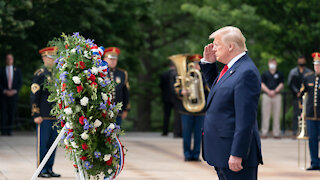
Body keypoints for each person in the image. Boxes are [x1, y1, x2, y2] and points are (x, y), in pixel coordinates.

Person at [200, 26, 263, 180]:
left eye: (216, 44)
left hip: (234, 154)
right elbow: (218, 92)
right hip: (222, 151)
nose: (213, 49)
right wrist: (208, 64)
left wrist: (237, 153)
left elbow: (245, 119)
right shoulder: (232, 68)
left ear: (230, 46)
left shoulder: (246, 72)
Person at [30, 47, 60, 178]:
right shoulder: (40, 74)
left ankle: (49, 168)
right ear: (44, 58)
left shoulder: (58, 74)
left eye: (54, 58)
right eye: (50, 57)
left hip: (56, 116)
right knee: (43, 145)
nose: (52, 60)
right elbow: (34, 95)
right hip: (43, 116)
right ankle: (41, 169)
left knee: (53, 144)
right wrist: (36, 113)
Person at [175, 54, 209, 161]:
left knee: (199, 134)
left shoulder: (204, 76)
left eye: (198, 64)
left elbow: (210, 90)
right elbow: (176, 87)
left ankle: (196, 154)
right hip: (186, 109)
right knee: (186, 133)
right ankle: (187, 154)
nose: (196, 66)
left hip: (201, 110)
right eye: (194, 64)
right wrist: (182, 91)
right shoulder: (185, 76)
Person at [300, 52, 320, 170]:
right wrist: (302, 110)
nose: (317, 67)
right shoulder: (308, 77)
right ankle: (315, 162)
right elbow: (302, 94)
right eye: (315, 65)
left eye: (319, 65)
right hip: (311, 115)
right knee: (312, 139)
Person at [103, 47, 130, 126]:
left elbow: (125, 92)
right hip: (104, 110)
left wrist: (126, 109)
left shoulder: (122, 73)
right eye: (110, 59)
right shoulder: (100, 72)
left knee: (116, 133)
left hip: (117, 111)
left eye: (115, 59)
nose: (113, 61)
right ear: (105, 59)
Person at [288, 56, 312, 136]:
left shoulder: (309, 72)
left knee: (306, 113)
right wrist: (297, 92)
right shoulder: (293, 72)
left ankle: (307, 131)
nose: (301, 61)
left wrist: (303, 92)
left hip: (306, 96)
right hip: (296, 96)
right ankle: (295, 131)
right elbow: (290, 84)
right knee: (296, 113)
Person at [260, 59, 284, 138]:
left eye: (274, 63)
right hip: (266, 96)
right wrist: (268, 91)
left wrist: (275, 91)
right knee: (265, 115)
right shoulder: (265, 74)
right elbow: (262, 84)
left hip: (277, 96)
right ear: (268, 64)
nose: (272, 65)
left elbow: (281, 84)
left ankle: (276, 133)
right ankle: (264, 132)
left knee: (277, 115)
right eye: (271, 63)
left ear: (276, 64)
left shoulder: (279, 74)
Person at [0, 53, 22, 136]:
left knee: (11, 112)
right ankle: (3, 130)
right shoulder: (1, 70)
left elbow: (20, 83)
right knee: (3, 113)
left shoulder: (17, 70)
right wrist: (4, 91)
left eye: (10, 58)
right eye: (7, 58)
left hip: (14, 95)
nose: (9, 60)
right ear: (6, 60)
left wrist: (15, 91)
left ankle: (10, 130)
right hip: (3, 95)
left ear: (13, 60)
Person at [159, 62, 182, 137]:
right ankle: (177, 131)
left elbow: (161, 86)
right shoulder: (179, 74)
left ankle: (165, 131)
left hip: (166, 97)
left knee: (166, 115)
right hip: (176, 97)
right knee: (177, 115)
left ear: (169, 66)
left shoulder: (164, 74)